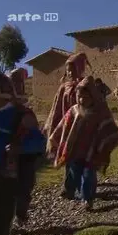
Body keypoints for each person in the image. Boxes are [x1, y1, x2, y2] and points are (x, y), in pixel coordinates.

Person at [48, 76, 118, 210]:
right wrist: (53, 138)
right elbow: (63, 126)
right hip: (75, 150)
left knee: (89, 175)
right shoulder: (74, 110)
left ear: (93, 96)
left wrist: (114, 138)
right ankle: (72, 191)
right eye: (79, 96)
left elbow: (109, 127)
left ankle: (87, 199)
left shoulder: (100, 112)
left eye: (85, 97)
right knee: (74, 172)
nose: (82, 100)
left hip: (92, 151)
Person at [0, 70, 42, 235]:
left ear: (2, 92)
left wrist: (20, 147)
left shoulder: (20, 116)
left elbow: (40, 142)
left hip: (6, 179)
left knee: (1, 221)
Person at [42, 52, 91, 198]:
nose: (70, 72)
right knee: (68, 155)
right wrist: (53, 124)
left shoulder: (87, 84)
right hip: (67, 127)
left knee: (80, 158)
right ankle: (70, 187)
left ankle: (78, 187)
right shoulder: (64, 87)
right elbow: (57, 107)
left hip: (83, 128)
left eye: (73, 69)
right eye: (68, 69)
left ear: (80, 68)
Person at [8, 67, 47, 225]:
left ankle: (21, 214)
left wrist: (22, 146)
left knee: (24, 188)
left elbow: (38, 142)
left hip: (24, 160)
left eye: (20, 83)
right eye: (12, 82)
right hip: (1, 162)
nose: (17, 86)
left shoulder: (27, 114)